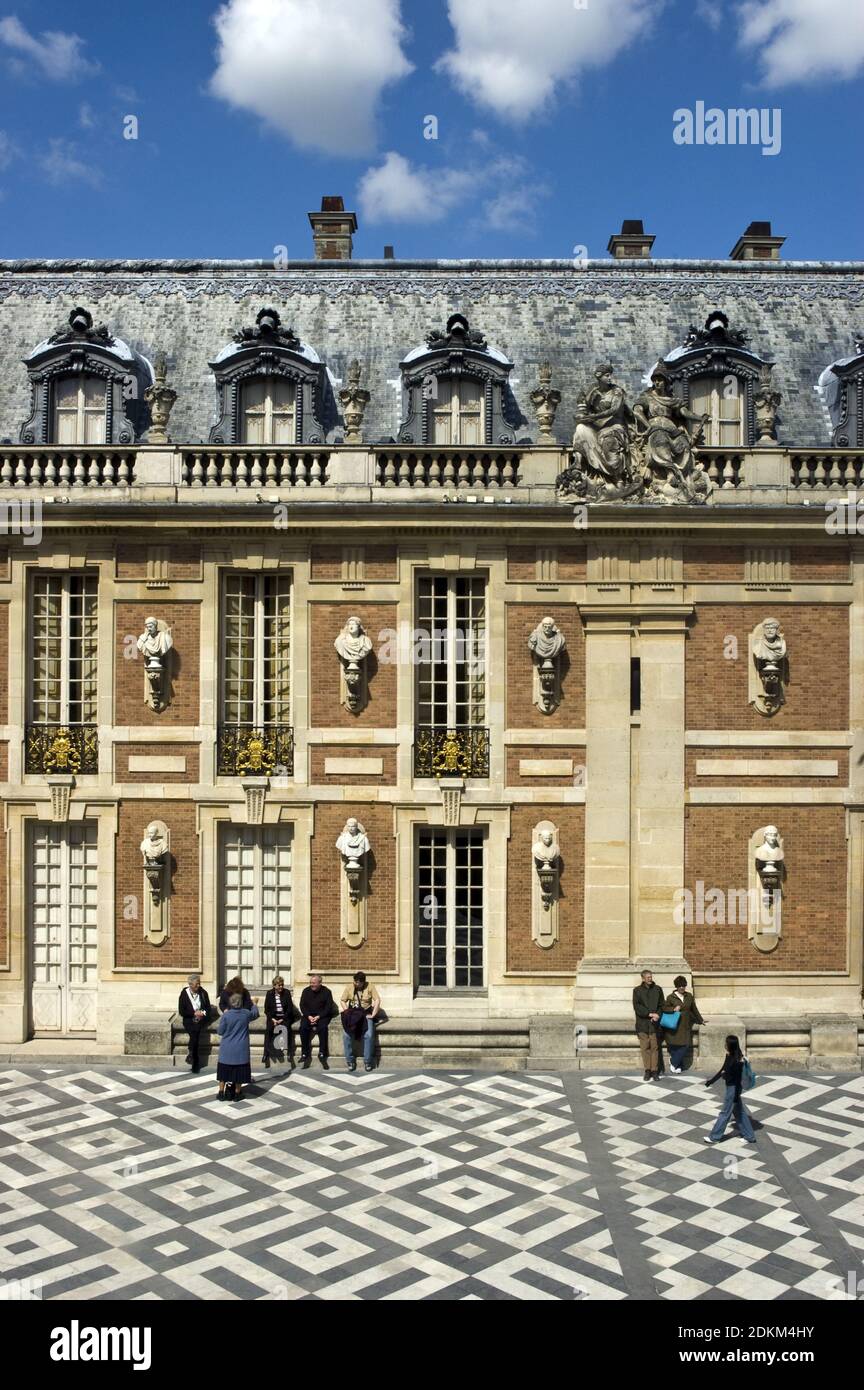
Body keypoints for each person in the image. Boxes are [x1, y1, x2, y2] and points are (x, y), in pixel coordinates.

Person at [704, 1035, 757, 1144]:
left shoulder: (738, 1060)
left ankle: (715, 1137)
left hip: (734, 1089)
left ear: (730, 1045)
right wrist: (711, 1081)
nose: (725, 1045)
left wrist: (726, 1076)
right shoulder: (730, 1056)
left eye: (726, 1043)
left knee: (725, 1113)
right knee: (740, 1113)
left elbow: (734, 1078)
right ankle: (749, 1136)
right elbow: (723, 1069)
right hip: (731, 1088)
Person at [216, 992, 259, 1101]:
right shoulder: (245, 1014)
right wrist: (254, 1004)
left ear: (231, 1003)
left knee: (223, 1073)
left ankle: (221, 1092)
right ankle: (237, 1093)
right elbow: (255, 1014)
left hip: (227, 1049)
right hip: (241, 1049)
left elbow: (220, 1031)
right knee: (239, 1073)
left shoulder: (226, 1015)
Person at [662, 974, 704, 1073]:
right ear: (676, 986)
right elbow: (664, 1008)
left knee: (685, 1045)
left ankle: (673, 1061)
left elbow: (694, 1009)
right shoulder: (670, 997)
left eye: (683, 985)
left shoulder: (689, 996)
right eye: (680, 986)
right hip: (674, 1025)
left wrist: (700, 1020)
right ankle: (678, 1065)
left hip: (685, 1025)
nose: (682, 987)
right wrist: (673, 1009)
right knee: (675, 1045)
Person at [340, 971, 381, 1072]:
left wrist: (373, 1014)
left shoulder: (370, 986)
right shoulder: (349, 987)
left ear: (363, 982)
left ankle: (368, 1061)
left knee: (369, 1035)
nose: (356, 984)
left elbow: (377, 1000)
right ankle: (350, 1060)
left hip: (365, 1014)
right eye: (355, 982)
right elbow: (342, 1000)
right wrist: (346, 1011)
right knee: (346, 1035)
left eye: (359, 982)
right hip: (353, 1014)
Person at [632, 969, 665, 1081]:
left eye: (651, 977)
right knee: (645, 1047)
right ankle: (647, 1070)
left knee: (655, 1048)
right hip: (642, 1024)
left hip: (655, 1025)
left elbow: (662, 1005)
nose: (650, 979)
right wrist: (650, 1014)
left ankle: (654, 1071)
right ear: (643, 978)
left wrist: (657, 1015)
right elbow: (637, 1007)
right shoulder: (637, 990)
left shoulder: (658, 989)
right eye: (648, 977)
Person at [299, 973, 334, 1069]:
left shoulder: (327, 992)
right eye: (311, 983)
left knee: (323, 1028)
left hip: (322, 1016)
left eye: (314, 983)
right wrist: (309, 1016)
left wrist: (318, 1016)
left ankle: (322, 1053)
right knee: (303, 1028)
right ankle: (304, 1053)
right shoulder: (306, 991)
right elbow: (302, 1005)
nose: (312, 985)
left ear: (320, 983)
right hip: (308, 1016)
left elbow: (328, 1008)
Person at [178, 973, 211, 1073]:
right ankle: (194, 1059)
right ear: (190, 984)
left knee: (195, 1031)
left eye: (199, 983)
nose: (198, 986)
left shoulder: (203, 993)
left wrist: (201, 1013)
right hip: (189, 1018)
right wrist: (194, 1013)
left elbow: (208, 1009)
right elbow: (182, 1011)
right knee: (195, 1034)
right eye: (196, 984)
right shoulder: (184, 994)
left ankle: (192, 1056)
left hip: (200, 1018)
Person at [263, 974, 294, 1068]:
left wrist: (282, 1019)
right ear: (274, 986)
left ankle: (289, 1052)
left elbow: (289, 1009)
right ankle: (265, 1054)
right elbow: (266, 1009)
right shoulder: (269, 993)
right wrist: (273, 1019)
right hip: (273, 1017)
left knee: (287, 1028)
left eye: (282, 985)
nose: (281, 987)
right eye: (279, 985)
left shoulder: (287, 993)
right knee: (268, 1031)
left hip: (284, 1017)